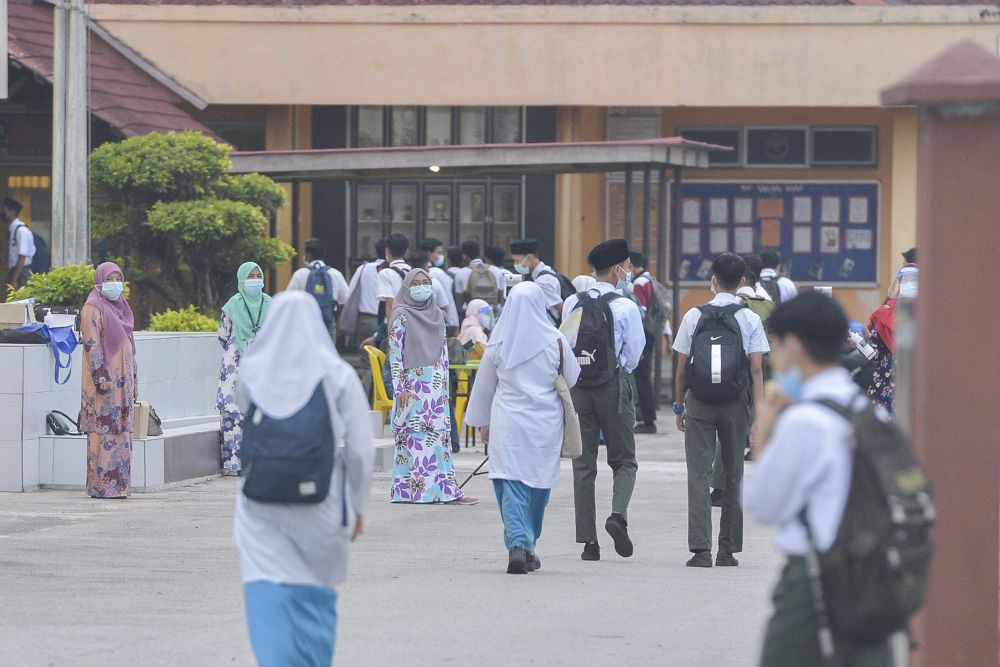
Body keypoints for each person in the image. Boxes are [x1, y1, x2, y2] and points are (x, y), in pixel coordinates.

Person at [745, 291, 893, 665]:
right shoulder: (868, 412)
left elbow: (764, 505)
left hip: (814, 582)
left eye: (776, 347)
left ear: (792, 345)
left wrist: (764, 426)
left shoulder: (803, 420)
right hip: (874, 580)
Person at [234, 291, 375, 667]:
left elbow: (248, 419)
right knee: (317, 588)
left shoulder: (252, 370)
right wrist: (358, 505)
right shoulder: (337, 374)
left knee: (264, 578)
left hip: (259, 500)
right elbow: (361, 449)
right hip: (321, 497)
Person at [465, 282, 581, 574]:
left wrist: (481, 422)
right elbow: (573, 377)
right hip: (545, 423)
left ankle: (518, 544)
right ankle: (528, 544)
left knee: (510, 481)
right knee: (538, 484)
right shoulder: (556, 341)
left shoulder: (498, 343)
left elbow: (484, 387)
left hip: (508, 422)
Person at [673, 253, 768, 568]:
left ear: (712, 279)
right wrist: (758, 415)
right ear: (742, 282)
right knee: (734, 474)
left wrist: (679, 405)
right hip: (735, 403)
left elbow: (681, 368)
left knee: (698, 474)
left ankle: (700, 550)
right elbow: (756, 370)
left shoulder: (693, 316)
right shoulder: (749, 318)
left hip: (699, 401)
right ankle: (727, 550)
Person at [562, 239, 645, 561]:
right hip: (615, 386)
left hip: (579, 386)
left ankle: (588, 542)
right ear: (617, 269)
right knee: (624, 460)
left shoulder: (572, 303)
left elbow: (564, 343)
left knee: (583, 464)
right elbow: (634, 354)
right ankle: (617, 515)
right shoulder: (625, 306)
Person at [388, 268, 477, 505]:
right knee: (416, 439)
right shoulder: (401, 315)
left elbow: (443, 354)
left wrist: (443, 386)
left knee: (439, 441)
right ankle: (415, 492)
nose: (420, 286)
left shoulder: (437, 314)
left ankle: (446, 491)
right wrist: (401, 389)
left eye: (425, 282)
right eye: (415, 283)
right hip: (412, 387)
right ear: (406, 287)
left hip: (436, 387)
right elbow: (395, 355)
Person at [79, 262, 137, 499]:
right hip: (103, 384)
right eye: (109, 279)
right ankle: (101, 487)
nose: (114, 284)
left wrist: (134, 380)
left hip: (124, 383)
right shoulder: (92, 308)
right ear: (99, 281)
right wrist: (102, 379)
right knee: (102, 431)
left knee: (122, 432)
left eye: (117, 278)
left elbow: (130, 347)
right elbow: (92, 345)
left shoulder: (122, 308)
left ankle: (120, 487)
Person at [217, 262, 271, 475]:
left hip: (263, 364)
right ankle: (233, 463)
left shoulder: (270, 303)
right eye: (250, 276)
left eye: (258, 275)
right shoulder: (232, 305)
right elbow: (223, 334)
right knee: (233, 411)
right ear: (241, 279)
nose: (255, 279)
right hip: (235, 365)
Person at [865, 263, 917, 413]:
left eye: (914, 280)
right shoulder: (883, 314)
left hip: (914, 377)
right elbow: (875, 353)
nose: (910, 284)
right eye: (906, 280)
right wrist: (860, 345)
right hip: (888, 380)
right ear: (899, 283)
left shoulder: (930, 313)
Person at [287, 238, 350, 335]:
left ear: (308, 255)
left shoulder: (300, 274)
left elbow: (289, 300)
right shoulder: (335, 274)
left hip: (304, 324)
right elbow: (345, 302)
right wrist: (339, 324)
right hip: (328, 322)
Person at [627, 252, 659, 435]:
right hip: (651, 332)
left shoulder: (639, 283)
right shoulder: (650, 279)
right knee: (644, 376)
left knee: (642, 378)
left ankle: (648, 420)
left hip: (643, 334)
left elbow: (640, 312)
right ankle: (649, 417)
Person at [510, 239, 563, 322]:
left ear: (529, 257)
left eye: (517, 260)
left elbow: (561, 308)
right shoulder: (547, 270)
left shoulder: (542, 281)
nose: (515, 264)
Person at [345, 238, 386, 342]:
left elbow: (350, 293)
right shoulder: (396, 270)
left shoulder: (363, 269)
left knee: (366, 355)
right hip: (388, 320)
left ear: (375, 252)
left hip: (366, 320)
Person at [422, 237, 460, 331]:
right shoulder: (438, 273)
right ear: (429, 254)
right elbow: (448, 302)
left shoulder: (413, 272)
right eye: (439, 253)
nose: (442, 256)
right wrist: (454, 324)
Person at [454, 240, 503, 310]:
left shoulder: (460, 273)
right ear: (480, 253)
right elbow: (500, 298)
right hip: (493, 313)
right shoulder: (496, 271)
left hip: (472, 315)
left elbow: (460, 300)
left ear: (464, 256)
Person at [376, 233, 411, 325]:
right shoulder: (413, 271)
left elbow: (390, 303)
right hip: (414, 323)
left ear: (387, 251)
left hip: (398, 323)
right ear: (407, 251)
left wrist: (391, 333)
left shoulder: (386, 273)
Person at [4, 197, 35, 291]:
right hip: (15, 270)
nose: (3, 215)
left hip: (21, 272)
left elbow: (22, 256)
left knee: (21, 301)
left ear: (12, 212)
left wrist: (14, 279)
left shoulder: (21, 231)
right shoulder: (13, 230)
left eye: (5, 212)